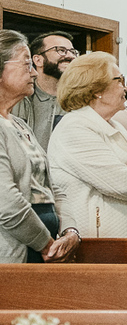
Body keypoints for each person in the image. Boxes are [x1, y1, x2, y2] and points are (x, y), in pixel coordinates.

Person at [0, 30, 80, 264]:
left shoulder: (20, 125)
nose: (34, 72)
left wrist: (71, 231)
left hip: (44, 247)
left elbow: (50, 186)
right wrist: (46, 245)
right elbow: (6, 203)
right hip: (15, 252)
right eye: (26, 64)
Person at [47, 52, 127, 239]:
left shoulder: (114, 125)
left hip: (125, 239)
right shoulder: (74, 127)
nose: (126, 87)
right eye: (119, 80)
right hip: (96, 242)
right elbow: (125, 185)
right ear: (96, 89)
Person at [13, 32, 77, 150]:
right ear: (38, 60)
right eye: (61, 50)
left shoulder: (79, 102)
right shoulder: (17, 97)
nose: (71, 56)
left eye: (73, 52)